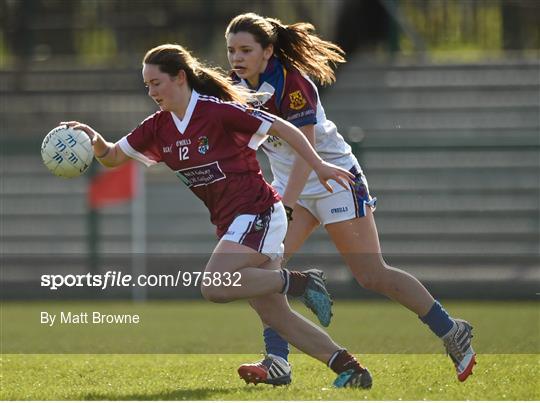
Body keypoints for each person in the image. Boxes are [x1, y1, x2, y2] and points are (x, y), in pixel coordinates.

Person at [61, 43, 374, 389]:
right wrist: (95, 142)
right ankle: (351, 368)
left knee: (214, 285)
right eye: (146, 85)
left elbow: (286, 128)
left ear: (180, 78)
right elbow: (113, 157)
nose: (151, 92)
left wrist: (318, 164)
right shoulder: (158, 127)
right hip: (232, 222)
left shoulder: (216, 111)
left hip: (258, 211)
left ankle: (302, 281)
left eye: (156, 83)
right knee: (274, 313)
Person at [225, 13, 477, 385]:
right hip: (290, 187)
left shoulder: (292, 82)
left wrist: (286, 204)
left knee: (371, 274)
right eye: (231, 50)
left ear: (268, 52)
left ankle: (451, 330)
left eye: (246, 49)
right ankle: (277, 361)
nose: (237, 57)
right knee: (263, 276)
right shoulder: (234, 86)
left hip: (334, 181)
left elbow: (306, 147)